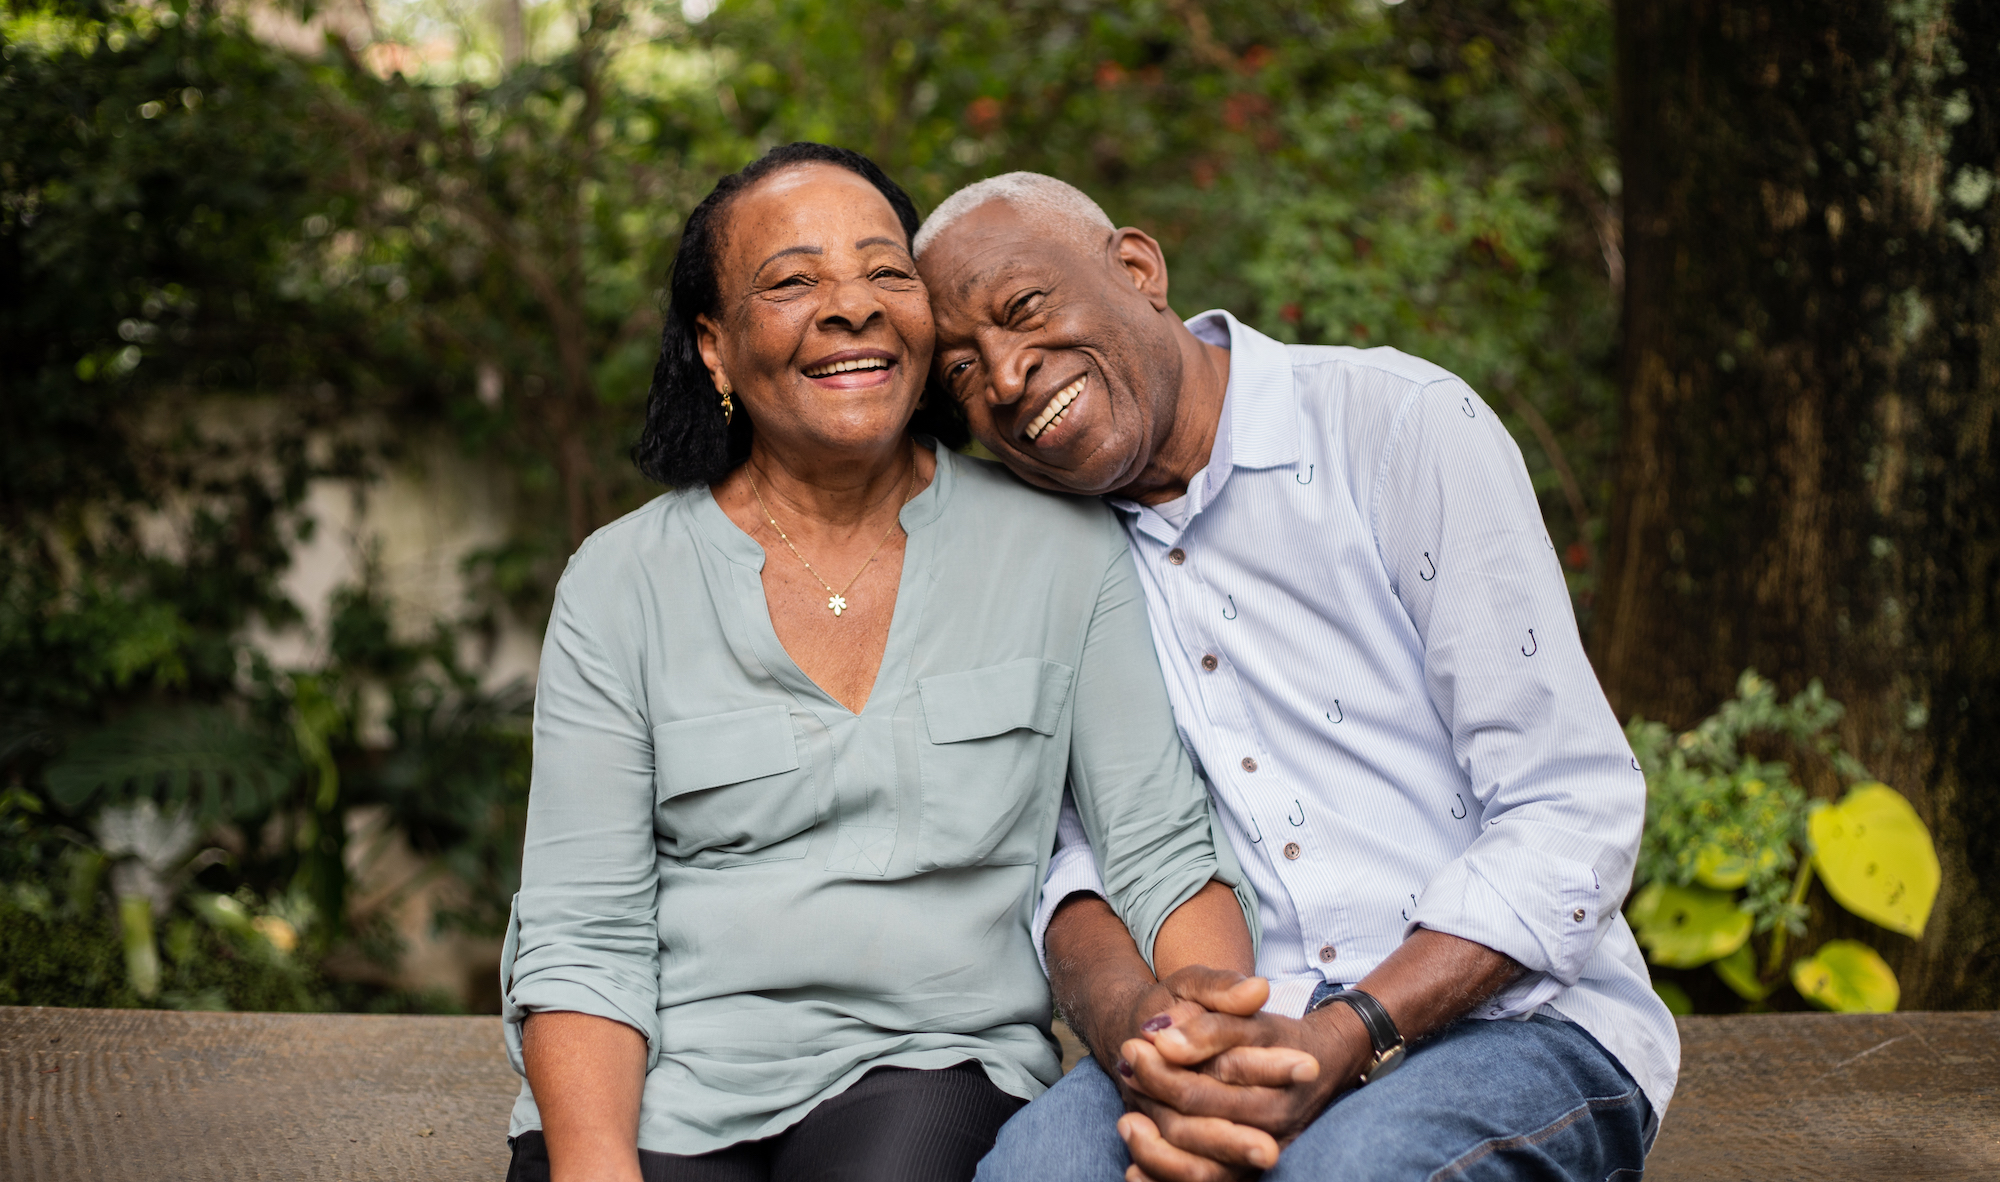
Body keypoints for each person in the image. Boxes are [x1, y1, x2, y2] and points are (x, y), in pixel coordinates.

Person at [499, 145, 1257, 1182]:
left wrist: (1206, 1042)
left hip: (932, 1059)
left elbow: (1158, 852)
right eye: (792, 280)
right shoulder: (619, 581)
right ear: (714, 348)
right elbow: (582, 934)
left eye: (884, 272)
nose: (850, 306)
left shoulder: (1059, 550)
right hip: (666, 1077)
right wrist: (595, 1166)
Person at [913, 173, 1679, 1182]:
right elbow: (1071, 867)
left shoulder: (1394, 426)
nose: (1005, 378)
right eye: (963, 370)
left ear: (1136, 269)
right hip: (1232, 1027)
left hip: (1515, 1024)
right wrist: (1152, 1040)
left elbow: (1568, 811)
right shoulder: (1048, 556)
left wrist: (1347, 1033)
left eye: (1022, 311)